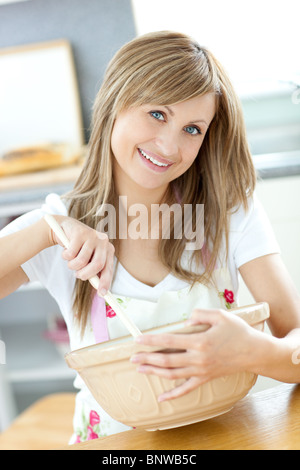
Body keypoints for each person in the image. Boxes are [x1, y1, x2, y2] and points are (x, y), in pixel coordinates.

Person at [1, 31, 300, 443]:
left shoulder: (231, 213)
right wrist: (44, 230)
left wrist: (254, 351)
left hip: (227, 438)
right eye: (157, 114)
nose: (169, 145)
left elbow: (294, 341)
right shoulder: (59, 226)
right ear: (115, 103)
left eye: (192, 129)